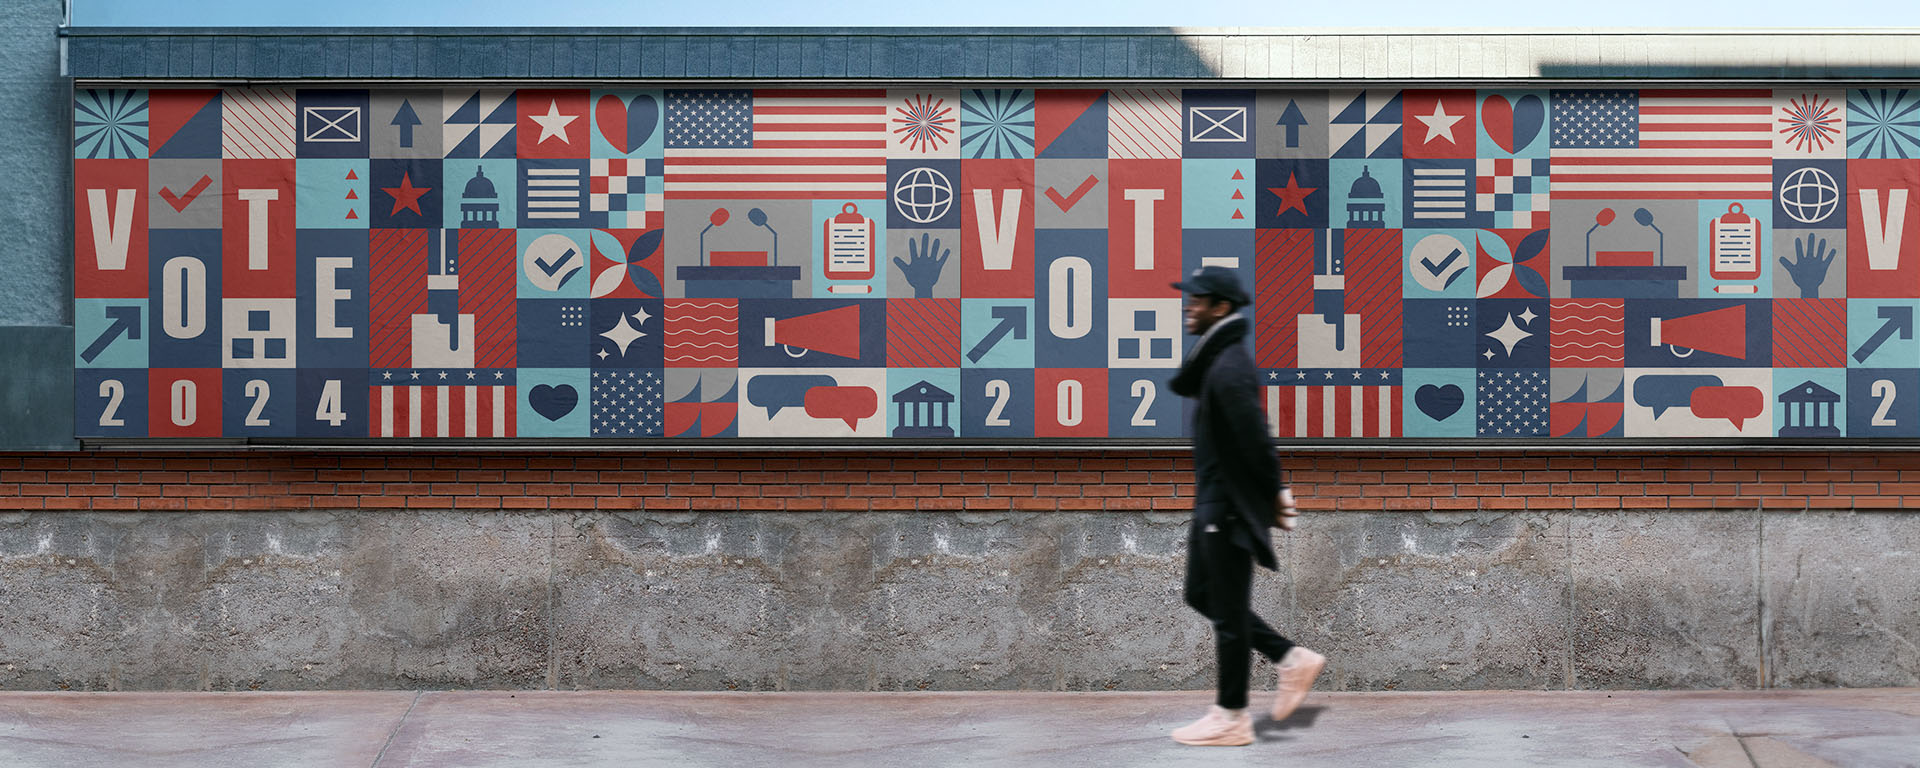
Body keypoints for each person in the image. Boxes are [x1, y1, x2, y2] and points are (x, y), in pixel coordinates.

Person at [1165, 265, 1325, 747]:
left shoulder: (1230, 365)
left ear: (1222, 308)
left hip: (1228, 505)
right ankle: (1289, 657)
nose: (1188, 306)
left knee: (1229, 608)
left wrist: (1274, 492)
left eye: (1198, 299)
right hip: (1213, 500)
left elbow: (1256, 436)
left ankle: (1231, 715)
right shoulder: (1217, 363)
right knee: (1201, 593)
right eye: (1189, 298)